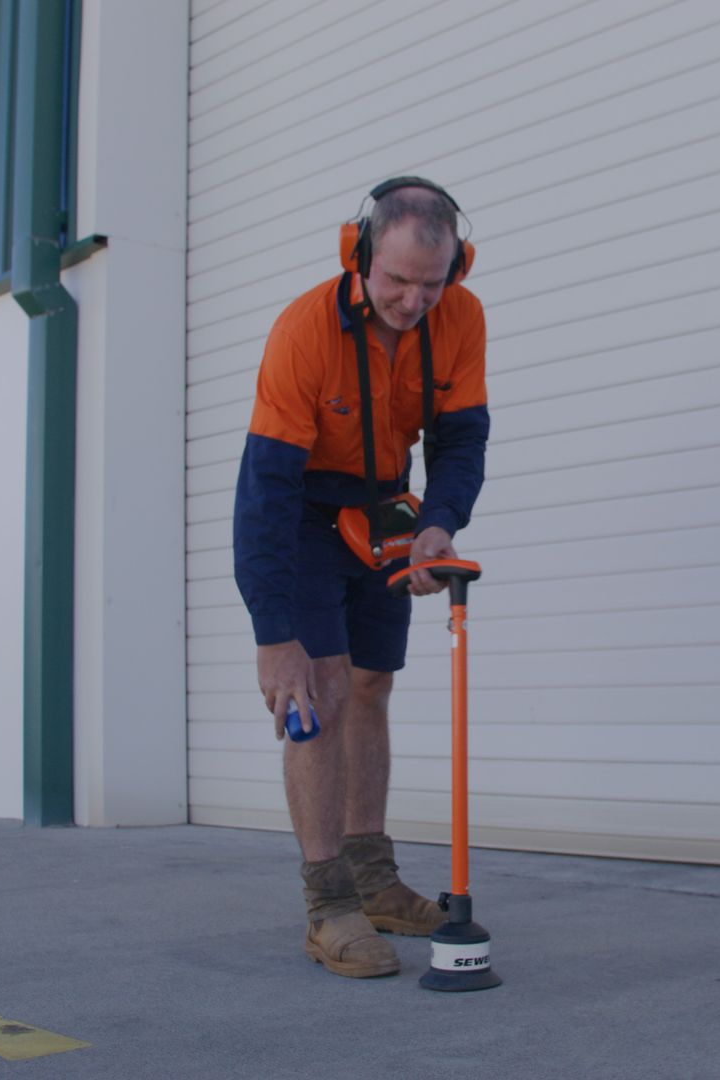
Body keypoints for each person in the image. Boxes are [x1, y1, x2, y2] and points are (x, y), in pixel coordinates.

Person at [233, 178, 490, 978]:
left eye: (431, 283)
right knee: (323, 692)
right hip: (304, 511)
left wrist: (437, 525)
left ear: (456, 268)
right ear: (359, 255)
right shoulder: (305, 331)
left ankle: (374, 882)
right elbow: (264, 493)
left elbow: (460, 440)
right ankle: (328, 903)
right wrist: (274, 637)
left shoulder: (461, 318)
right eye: (396, 281)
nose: (413, 300)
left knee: (373, 687)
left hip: (386, 509)